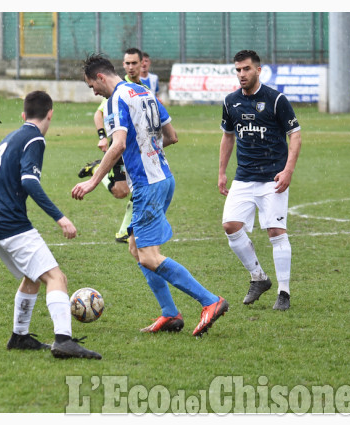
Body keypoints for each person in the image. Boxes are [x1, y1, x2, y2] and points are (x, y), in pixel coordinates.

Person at [73, 54, 228, 337]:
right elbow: (171, 136)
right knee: (136, 248)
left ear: (99, 77)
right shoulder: (144, 91)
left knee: (148, 256)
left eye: (91, 86)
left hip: (146, 184)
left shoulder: (116, 99)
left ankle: (210, 301)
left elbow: (117, 144)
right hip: (164, 178)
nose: (93, 92)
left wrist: (95, 181)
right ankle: (170, 314)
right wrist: (149, 152)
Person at [0, 90, 101, 359]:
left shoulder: (9, 138)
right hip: (10, 223)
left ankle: (19, 337)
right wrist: (61, 217)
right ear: (50, 114)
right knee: (56, 277)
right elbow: (29, 181)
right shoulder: (35, 138)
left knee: (33, 276)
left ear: (23, 115)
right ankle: (64, 340)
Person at [218, 50, 302, 311]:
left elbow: (295, 135)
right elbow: (228, 137)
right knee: (230, 226)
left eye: (246, 69)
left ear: (258, 70)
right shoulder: (230, 101)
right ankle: (258, 277)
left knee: (276, 232)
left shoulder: (276, 100)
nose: (242, 74)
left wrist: (288, 170)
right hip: (244, 177)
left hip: (272, 178)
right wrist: (221, 172)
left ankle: (284, 293)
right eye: (238, 70)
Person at [78, 48, 148, 243]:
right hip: (120, 142)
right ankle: (97, 170)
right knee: (121, 191)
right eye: (127, 63)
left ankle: (127, 232)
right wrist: (102, 136)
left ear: (143, 64)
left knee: (130, 189)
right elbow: (98, 114)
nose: (131, 67)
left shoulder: (144, 89)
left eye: (134, 63)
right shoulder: (115, 91)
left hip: (138, 147)